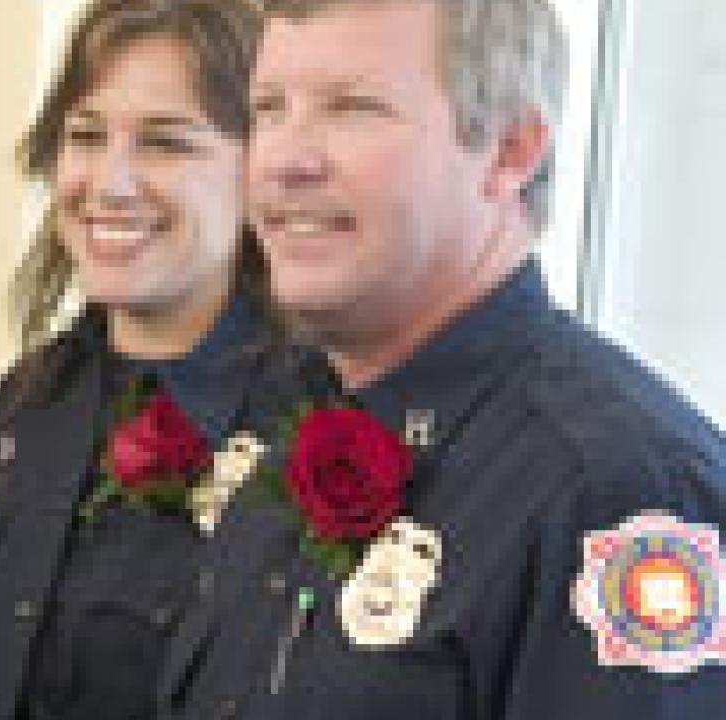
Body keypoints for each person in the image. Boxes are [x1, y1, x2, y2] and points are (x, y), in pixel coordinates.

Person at [157, 0, 726, 718]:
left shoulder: (619, 489)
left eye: (353, 108)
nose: (284, 160)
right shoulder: (286, 416)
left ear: (511, 151)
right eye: (269, 109)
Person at [0, 1, 337, 718]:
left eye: (165, 143)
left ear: (260, 168)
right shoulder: (20, 406)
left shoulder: (322, 435)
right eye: (86, 136)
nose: (110, 184)